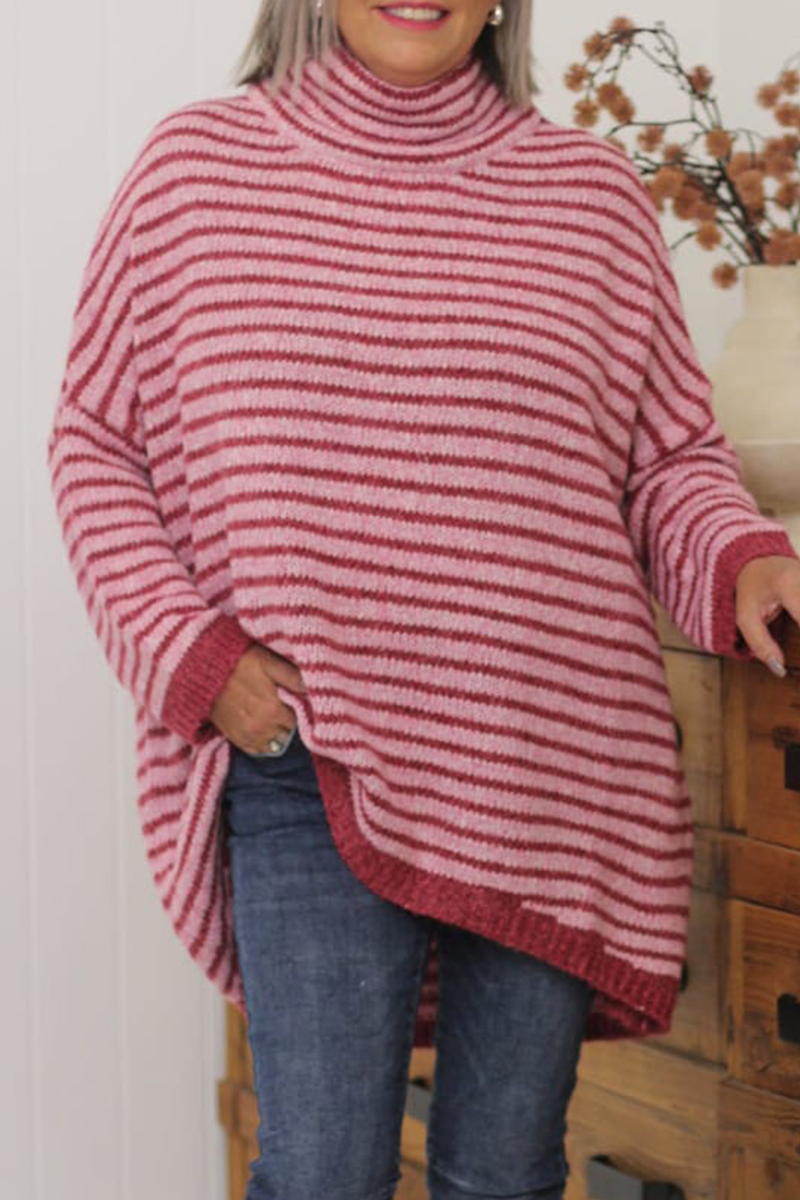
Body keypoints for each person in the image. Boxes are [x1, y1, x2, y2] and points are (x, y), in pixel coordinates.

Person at [47, 1, 800, 1198]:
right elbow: (96, 444)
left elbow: (666, 463)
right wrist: (198, 661)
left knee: (504, 1178)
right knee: (325, 1174)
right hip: (315, 757)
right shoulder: (196, 176)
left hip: (548, 769)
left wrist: (742, 559)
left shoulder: (589, 199)